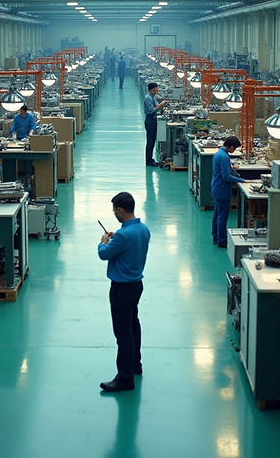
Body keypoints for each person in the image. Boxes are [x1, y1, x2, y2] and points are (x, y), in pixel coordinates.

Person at [97, 191, 150, 393]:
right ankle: (136, 365)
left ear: (120, 209)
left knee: (123, 334)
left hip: (121, 288)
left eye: (114, 211)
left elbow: (104, 254)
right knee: (133, 325)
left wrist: (104, 241)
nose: (114, 214)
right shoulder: (143, 230)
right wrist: (116, 238)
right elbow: (128, 246)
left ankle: (125, 378)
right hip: (136, 285)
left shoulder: (123, 235)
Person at [211, 136, 245, 248]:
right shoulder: (224, 157)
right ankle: (222, 240)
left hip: (216, 187)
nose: (233, 151)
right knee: (222, 216)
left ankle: (215, 236)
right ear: (230, 146)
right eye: (234, 148)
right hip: (222, 189)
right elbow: (226, 176)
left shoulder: (219, 154)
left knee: (217, 214)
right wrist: (241, 180)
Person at [142, 83, 167, 166]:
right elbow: (151, 110)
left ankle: (150, 159)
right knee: (150, 142)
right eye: (156, 89)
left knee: (152, 141)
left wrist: (160, 101)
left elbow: (156, 103)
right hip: (150, 121)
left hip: (153, 121)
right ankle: (148, 161)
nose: (157, 90)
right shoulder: (148, 98)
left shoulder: (152, 97)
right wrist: (161, 104)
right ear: (152, 89)